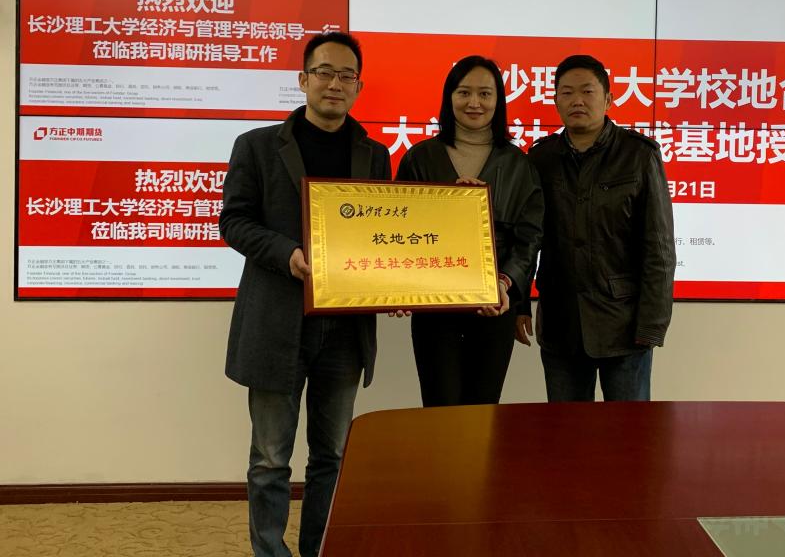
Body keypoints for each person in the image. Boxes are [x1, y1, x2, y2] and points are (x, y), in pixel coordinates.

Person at [220, 31, 391, 557]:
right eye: (324, 72)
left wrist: (401, 279)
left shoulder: (375, 155)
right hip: (277, 323)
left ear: (358, 86)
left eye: (346, 75)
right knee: (270, 458)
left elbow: (384, 234)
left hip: (345, 328)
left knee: (332, 457)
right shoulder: (256, 146)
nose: (335, 83)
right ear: (303, 79)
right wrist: (286, 252)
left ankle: (319, 549)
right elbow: (234, 221)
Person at [521, 54, 674, 402]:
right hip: (561, 323)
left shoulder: (638, 155)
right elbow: (528, 238)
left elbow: (659, 247)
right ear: (556, 100)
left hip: (624, 326)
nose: (577, 100)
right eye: (566, 92)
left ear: (608, 99)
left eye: (587, 91)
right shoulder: (541, 158)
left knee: (629, 431)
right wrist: (519, 305)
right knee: (567, 431)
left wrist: (652, 324)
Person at [396, 55, 544, 407]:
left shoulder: (518, 163)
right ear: (449, 98)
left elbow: (529, 238)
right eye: (464, 92)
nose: (474, 102)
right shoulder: (420, 158)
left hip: (494, 305)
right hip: (434, 307)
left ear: (498, 101)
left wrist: (504, 283)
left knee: (483, 411)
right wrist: (398, 285)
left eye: (485, 93)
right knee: (439, 409)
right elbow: (398, 229)